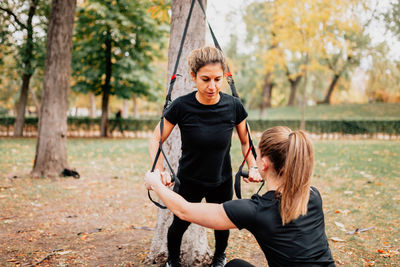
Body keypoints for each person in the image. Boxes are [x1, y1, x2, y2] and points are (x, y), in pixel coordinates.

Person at [146, 126, 336, 267]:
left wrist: (155, 183)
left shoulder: (255, 211)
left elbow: (184, 211)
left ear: (264, 163)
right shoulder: (313, 195)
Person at [148, 46, 262, 267]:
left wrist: (253, 166)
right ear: (193, 77)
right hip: (189, 179)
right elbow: (155, 138)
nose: (212, 86)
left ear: (224, 77)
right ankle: (173, 261)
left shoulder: (234, 106)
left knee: (222, 226)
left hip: (221, 180)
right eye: (205, 79)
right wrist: (159, 169)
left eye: (218, 79)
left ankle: (219, 259)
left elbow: (246, 140)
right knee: (179, 224)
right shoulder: (181, 106)